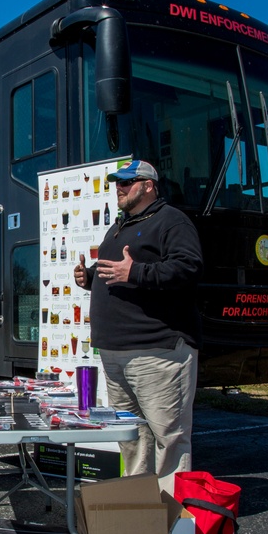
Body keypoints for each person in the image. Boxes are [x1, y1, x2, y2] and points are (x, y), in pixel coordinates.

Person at [73, 159, 203, 495]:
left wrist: (136, 273)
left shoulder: (171, 221)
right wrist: (90, 280)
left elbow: (188, 269)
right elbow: (119, 278)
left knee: (167, 437)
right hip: (115, 353)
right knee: (133, 438)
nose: (119, 186)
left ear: (148, 185)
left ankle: (172, 519)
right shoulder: (119, 226)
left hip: (157, 352)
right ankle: (139, 507)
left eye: (127, 182)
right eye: (117, 182)